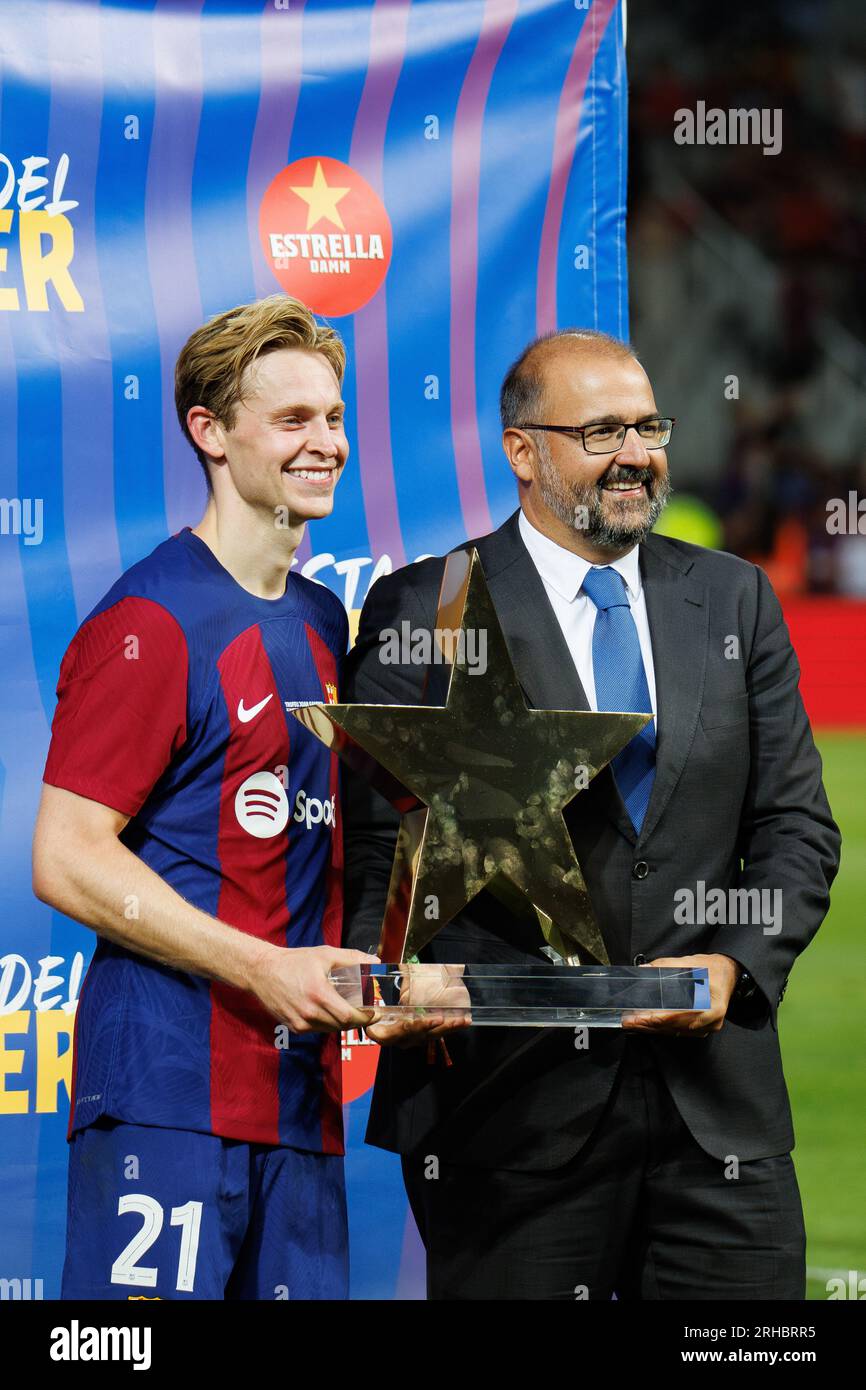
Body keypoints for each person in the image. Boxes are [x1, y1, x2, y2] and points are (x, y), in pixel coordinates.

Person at [341, 328, 842, 1300]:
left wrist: (732, 964)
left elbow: (794, 828)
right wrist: (391, 969)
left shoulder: (732, 601)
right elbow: (378, 845)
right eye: (600, 430)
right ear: (522, 451)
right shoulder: (429, 608)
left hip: (716, 1117)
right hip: (507, 1117)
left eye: (646, 425)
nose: (635, 454)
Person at [32, 294, 376, 1301]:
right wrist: (259, 965)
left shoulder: (321, 621)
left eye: (332, 417)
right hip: (166, 1099)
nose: (325, 445)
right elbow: (66, 855)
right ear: (210, 433)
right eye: (292, 420)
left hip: (296, 1100)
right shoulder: (151, 620)